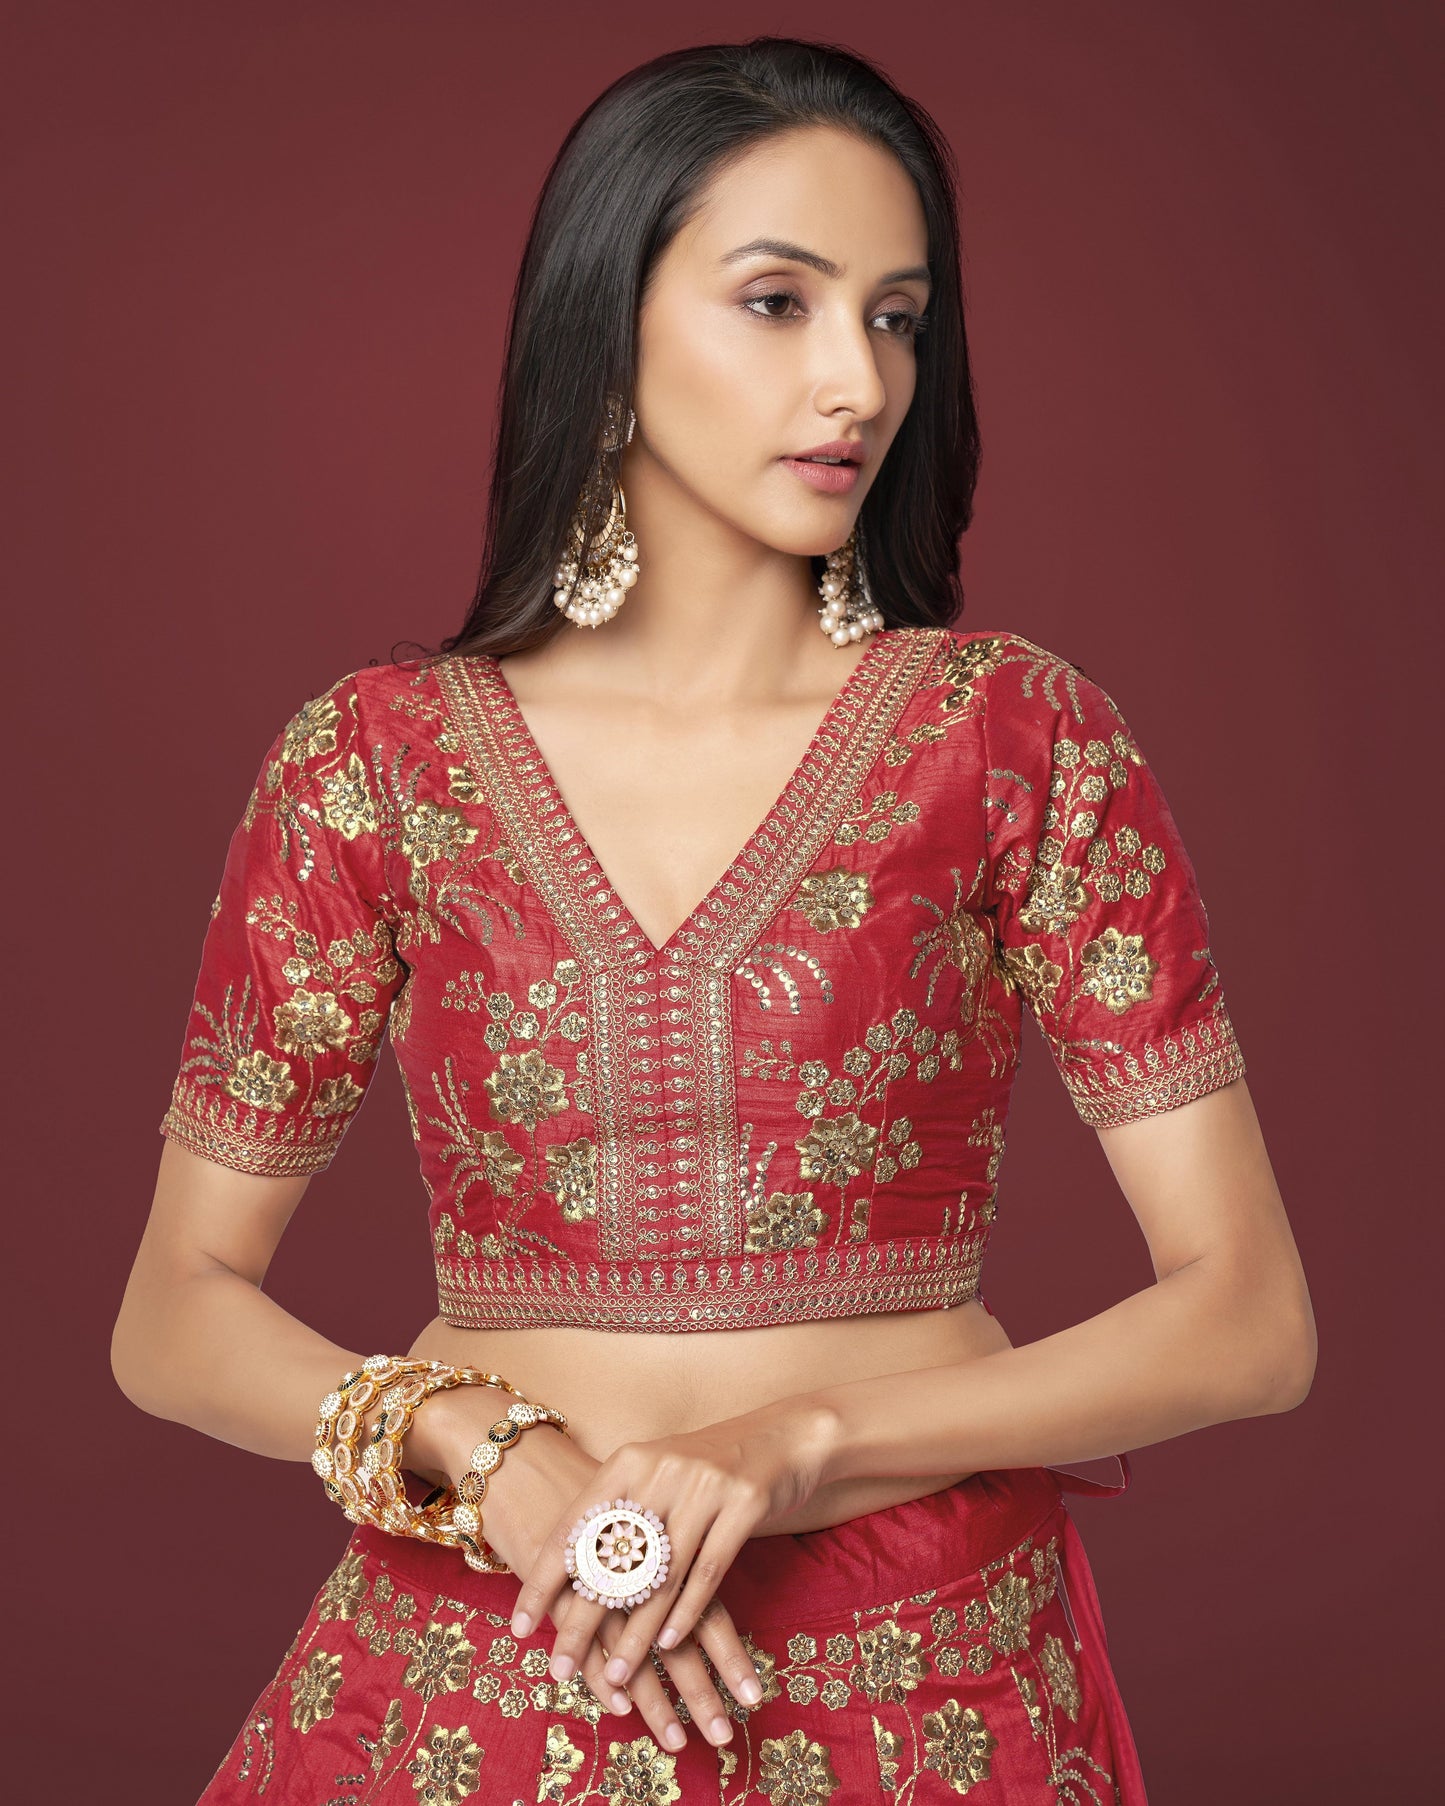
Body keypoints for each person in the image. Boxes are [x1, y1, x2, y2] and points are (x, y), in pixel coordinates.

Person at [112, 35, 1316, 1805]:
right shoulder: (373, 762)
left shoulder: (1009, 738)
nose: (856, 380)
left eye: (896, 319)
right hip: (485, 1645)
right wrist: (480, 1446)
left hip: (919, 1661)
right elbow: (173, 1311)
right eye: (777, 301)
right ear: (603, 327)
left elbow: (1247, 1318)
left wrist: (796, 1441)